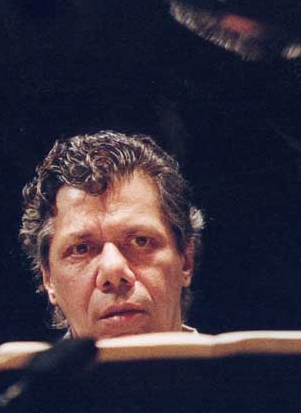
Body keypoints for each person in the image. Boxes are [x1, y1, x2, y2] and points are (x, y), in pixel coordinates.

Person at [19, 131, 204, 339]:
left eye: (140, 241)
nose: (113, 272)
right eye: (81, 249)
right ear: (49, 279)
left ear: (186, 261)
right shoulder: (10, 364)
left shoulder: (233, 362)